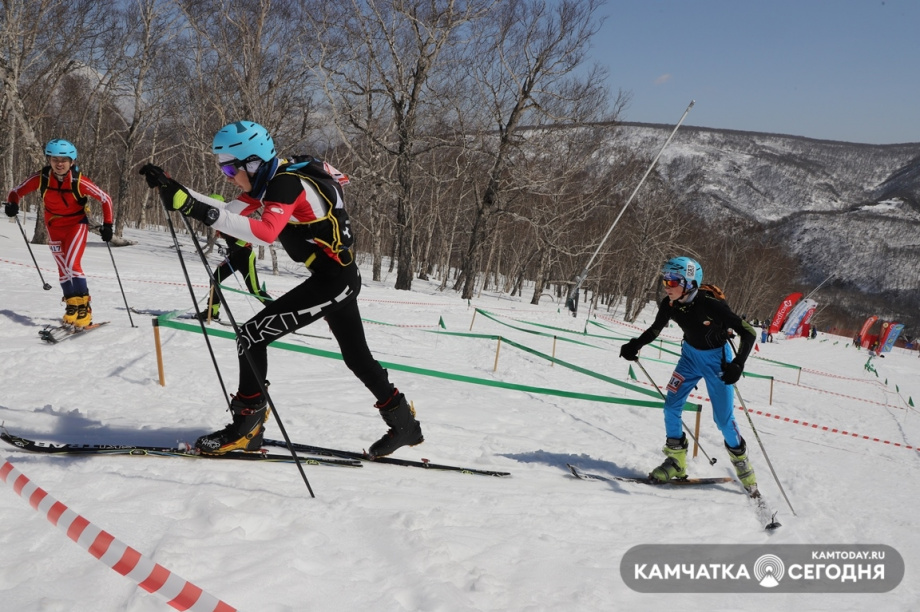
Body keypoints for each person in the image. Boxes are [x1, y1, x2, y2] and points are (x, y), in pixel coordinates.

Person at [139, 120, 423, 458]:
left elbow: (264, 232)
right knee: (358, 358)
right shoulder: (275, 179)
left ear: (254, 162)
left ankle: (247, 429)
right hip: (337, 278)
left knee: (251, 335)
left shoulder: (285, 185)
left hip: (333, 281)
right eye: (222, 167)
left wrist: (195, 207)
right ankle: (405, 425)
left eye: (230, 167)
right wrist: (174, 187)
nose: (227, 175)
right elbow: (229, 212)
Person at [619, 257, 760, 495]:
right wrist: (635, 344)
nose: (667, 285)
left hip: (718, 361)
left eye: (672, 280)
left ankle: (742, 464)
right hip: (689, 359)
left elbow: (748, 331)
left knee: (723, 421)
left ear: (689, 283)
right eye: (665, 279)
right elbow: (655, 329)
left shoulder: (710, 305)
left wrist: (738, 364)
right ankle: (676, 461)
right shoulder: (670, 304)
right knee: (671, 407)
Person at [4, 139, 114, 327]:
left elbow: (106, 199)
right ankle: (71, 305)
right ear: (49, 160)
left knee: (72, 263)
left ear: (72, 161)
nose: (59, 163)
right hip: (53, 225)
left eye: (64, 159)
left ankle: (84, 307)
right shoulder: (42, 178)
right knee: (63, 267)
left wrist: (108, 225)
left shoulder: (79, 181)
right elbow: (16, 191)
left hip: (76, 224)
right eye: (54, 159)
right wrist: (12, 203)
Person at [197, 194, 271, 322]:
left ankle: (277, 313)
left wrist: (232, 248)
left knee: (255, 290)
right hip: (233, 257)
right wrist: (227, 250)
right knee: (215, 280)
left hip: (245, 257)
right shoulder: (218, 222)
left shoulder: (232, 218)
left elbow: (245, 238)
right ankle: (212, 311)